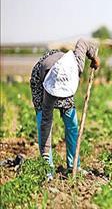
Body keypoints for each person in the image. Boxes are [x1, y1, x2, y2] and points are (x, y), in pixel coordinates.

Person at [30, 39, 100, 179]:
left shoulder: (77, 64)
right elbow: (46, 125)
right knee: (44, 122)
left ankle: (74, 165)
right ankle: (47, 169)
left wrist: (94, 57)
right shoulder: (48, 91)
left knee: (71, 124)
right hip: (43, 78)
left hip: (65, 74)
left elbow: (83, 42)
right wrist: (45, 161)